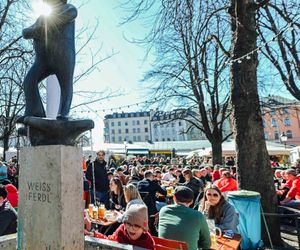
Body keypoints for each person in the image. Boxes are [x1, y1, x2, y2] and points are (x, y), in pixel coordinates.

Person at [138, 170, 167, 235]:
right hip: (151, 208)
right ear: (151, 176)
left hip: (140, 206)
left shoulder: (139, 183)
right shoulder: (153, 184)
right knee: (163, 206)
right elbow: (164, 193)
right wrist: (164, 188)